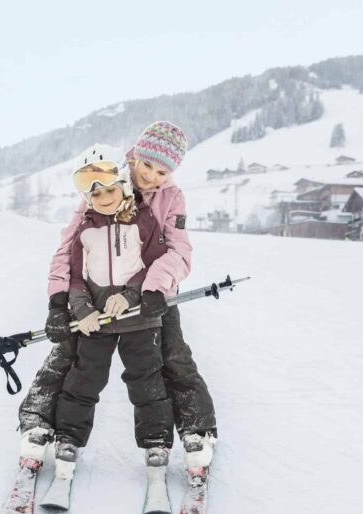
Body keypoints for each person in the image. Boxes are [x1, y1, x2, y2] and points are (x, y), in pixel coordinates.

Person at [19, 122, 217, 472]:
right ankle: (38, 420)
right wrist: (57, 301)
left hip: (153, 293)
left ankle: (196, 428)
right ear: (135, 156)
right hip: (97, 294)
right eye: (147, 165)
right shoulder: (106, 182)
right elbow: (69, 249)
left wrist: (154, 287)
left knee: (172, 353)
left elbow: (179, 251)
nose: (152, 177)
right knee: (68, 350)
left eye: (162, 171)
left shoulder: (172, 198)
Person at [38, 144, 176, 481]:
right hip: (95, 322)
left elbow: (157, 263)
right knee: (84, 379)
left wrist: (131, 296)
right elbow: (73, 273)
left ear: (124, 186)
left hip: (140, 319)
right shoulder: (85, 228)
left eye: (110, 190)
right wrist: (81, 309)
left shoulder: (145, 220)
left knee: (147, 380)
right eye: (96, 195)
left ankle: (155, 441)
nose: (104, 199)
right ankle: (69, 438)